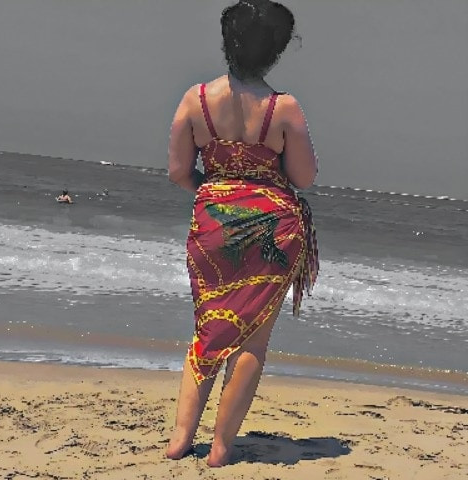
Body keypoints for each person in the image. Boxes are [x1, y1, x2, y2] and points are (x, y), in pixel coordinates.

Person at [166, 0, 319, 467]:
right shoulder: (284, 108)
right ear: (274, 52)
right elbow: (304, 177)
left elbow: (178, 172)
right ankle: (220, 447)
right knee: (252, 340)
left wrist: (217, 191)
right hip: (273, 230)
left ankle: (180, 438)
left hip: (212, 225)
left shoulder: (194, 100)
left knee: (206, 328)